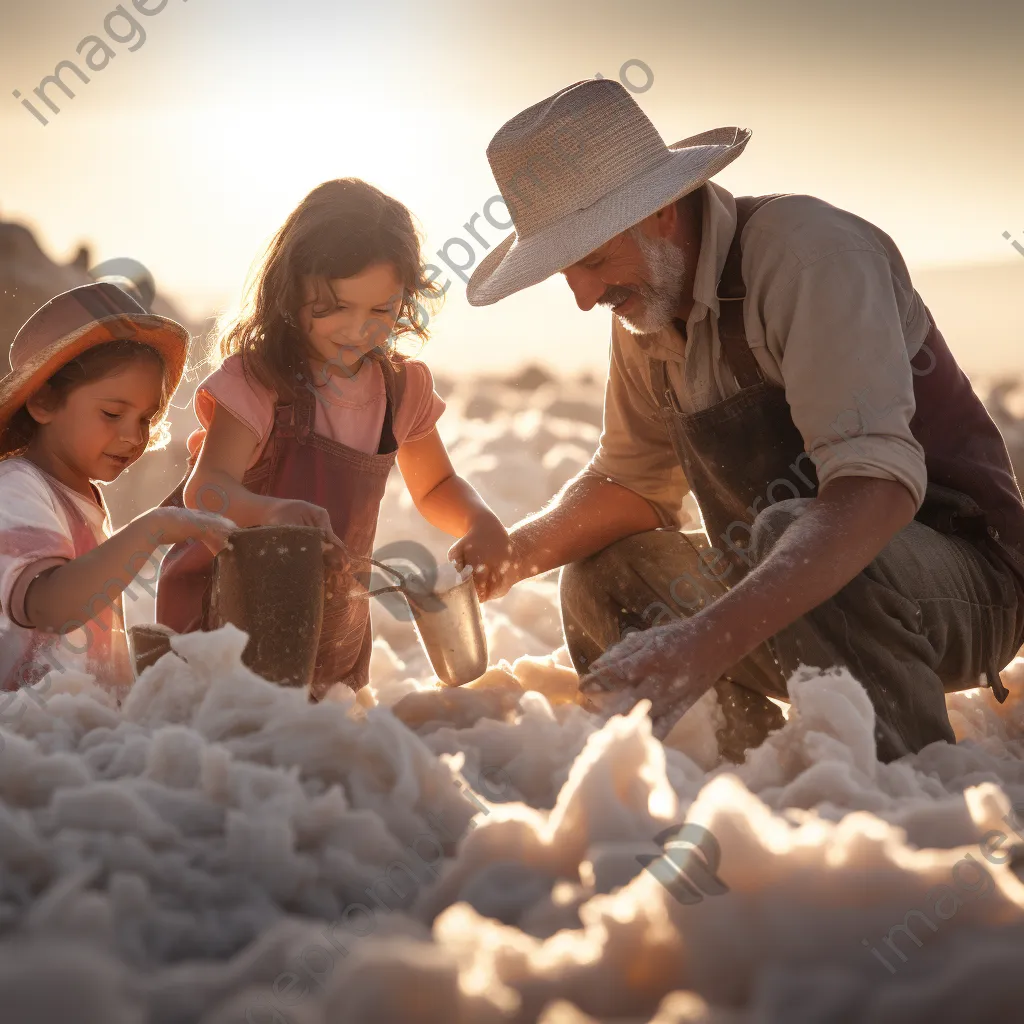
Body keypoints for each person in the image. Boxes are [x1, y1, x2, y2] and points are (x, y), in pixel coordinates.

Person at [461, 79, 1024, 763]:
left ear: (663, 211)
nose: (583, 298)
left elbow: (874, 489)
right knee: (599, 577)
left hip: (962, 587)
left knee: (794, 533)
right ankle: (738, 777)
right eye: (564, 274)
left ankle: (897, 790)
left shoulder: (811, 256)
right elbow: (633, 486)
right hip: (787, 589)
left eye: (591, 261)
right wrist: (508, 557)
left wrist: (707, 639)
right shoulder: (646, 302)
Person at [156, 178, 510, 698]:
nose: (357, 330)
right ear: (291, 287)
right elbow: (206, 491)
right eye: (334, 308)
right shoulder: (258, 383)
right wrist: (273, 512)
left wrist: (478, 520)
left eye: (381, 312)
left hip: (333, 624)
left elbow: (436, 486)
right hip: (228, 623)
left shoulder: (399, 390)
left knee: (325, 738)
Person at [0, 282, 234, 699]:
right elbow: (50, 607)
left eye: (146, 418)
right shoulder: (18, 488)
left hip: (80, 722)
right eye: (112, 413)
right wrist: (153, 529)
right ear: (43, 402)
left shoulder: (81, 495)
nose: (133, 436)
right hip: (27, 733)